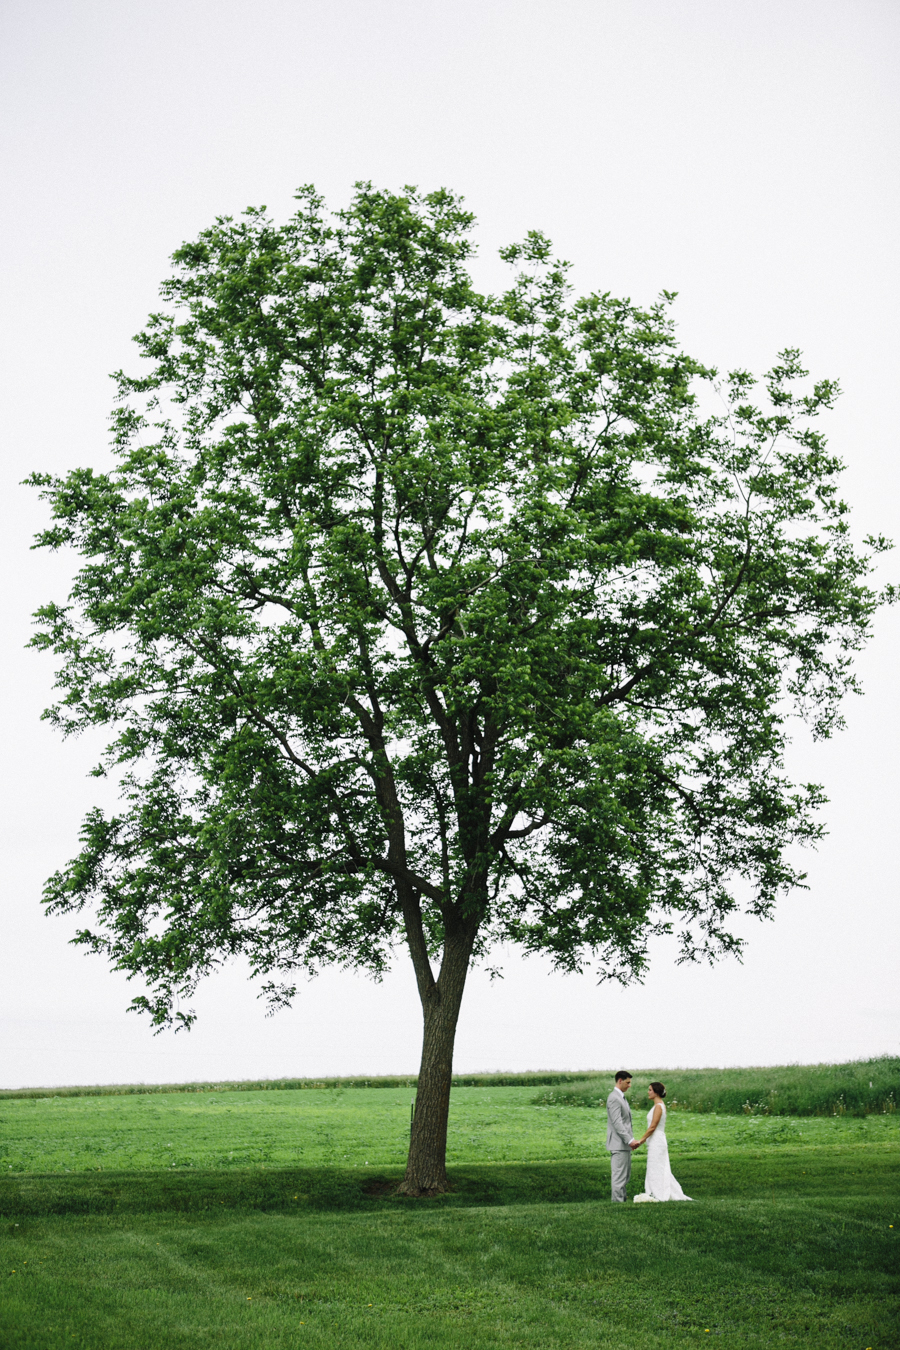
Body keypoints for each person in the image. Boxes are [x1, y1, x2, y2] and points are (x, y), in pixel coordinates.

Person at [631, 1081, 693, 1202]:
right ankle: (653, 1191)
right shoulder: (657, 1106)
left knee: (657, 1167)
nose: (648, 1092)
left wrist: (640, 1141)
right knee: (654, 1166)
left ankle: (659, 1193)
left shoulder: (659, 1106)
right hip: (654, 1140)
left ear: (656, 1092)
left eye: (650, 1090)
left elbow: (653, 1127)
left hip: (657, 1141)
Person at [606, 1070, 638, 1202]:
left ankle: (623, 1202)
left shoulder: (621, 1097)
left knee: (625, 1176)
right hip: (619, 1144)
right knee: (619, 1176)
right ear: (620, 1081)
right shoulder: (614, 1098)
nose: (629, 1085)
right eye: (628, 1082)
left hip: (623, 1145)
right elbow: (617, 1123)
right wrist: (630, 1140)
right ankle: (617, 1204)